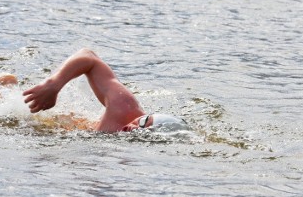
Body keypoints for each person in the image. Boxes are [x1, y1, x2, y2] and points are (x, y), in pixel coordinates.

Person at [22, 48, 188, 133]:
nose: (136, 127)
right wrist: (53, 84)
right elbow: (89, 56)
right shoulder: (125, 108)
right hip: (39, 113)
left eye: (146, 130)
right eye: (144, 120)